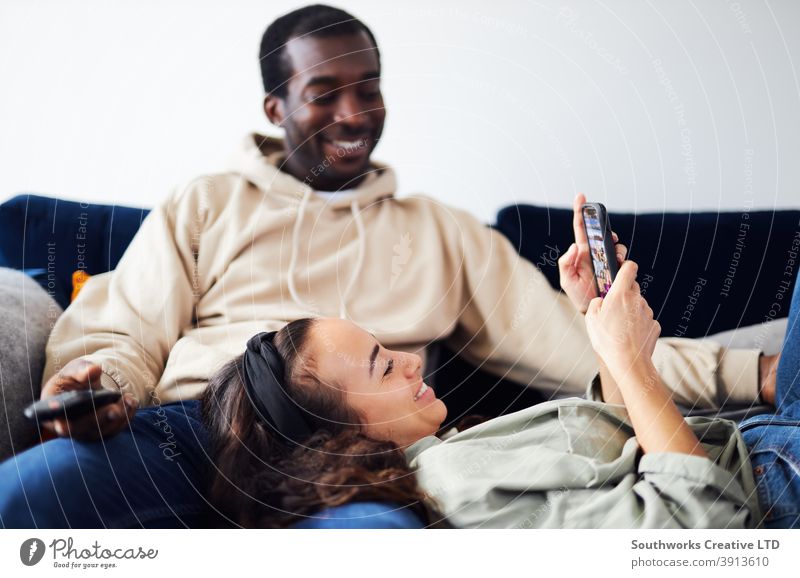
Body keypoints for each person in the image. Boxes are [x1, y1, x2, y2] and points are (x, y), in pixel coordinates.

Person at [0, 4, 778, 528]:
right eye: (323, 93)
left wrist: (760, 377)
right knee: (33, 500)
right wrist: (100, 384)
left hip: (358, 464)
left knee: (376, 540)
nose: (352, 114)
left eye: (367, 89)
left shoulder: (439, 235)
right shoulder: (205, 204)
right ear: (276, 108)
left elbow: (591, 351)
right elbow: (124, 332)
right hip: (200, 428)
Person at [202, 259, 800, 529]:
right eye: (384, 368)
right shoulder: (458, 490)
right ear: (342, 439)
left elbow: (621, 458)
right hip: (780, 479)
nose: (412, 360)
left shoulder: (441, 458)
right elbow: (700, 524)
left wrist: (607, 337)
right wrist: (629, 362)